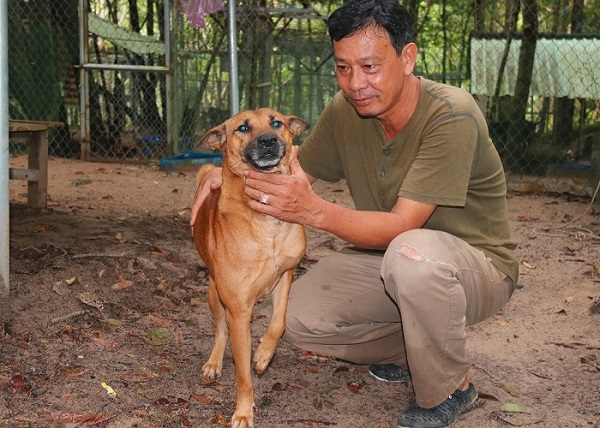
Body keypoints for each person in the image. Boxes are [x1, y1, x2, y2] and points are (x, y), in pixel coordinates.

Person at [190, 0, 519, 426]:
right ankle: (412, 348)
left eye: (369, 66)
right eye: (343, 68)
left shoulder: (451, 115)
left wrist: (313, 211)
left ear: (408, 57)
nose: (355, 83)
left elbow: (401, 226)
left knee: (411, 255)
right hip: (393, 257)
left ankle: (448, 388)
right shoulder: (347, 110)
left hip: (476, 267)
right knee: (302, 317)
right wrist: (225, 178)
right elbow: (295, 168)